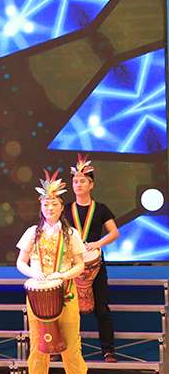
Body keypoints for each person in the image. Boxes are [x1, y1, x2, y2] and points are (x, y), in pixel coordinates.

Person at [16, 170, 87, 374]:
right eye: (46, 204)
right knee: (39, 344)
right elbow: (20, 262)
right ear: (41, 207)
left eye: (54, 204)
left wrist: (63, 275)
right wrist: (32, 273)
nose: (50, 208)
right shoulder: (31, 233)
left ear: (61, 207)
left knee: (71, 344)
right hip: (39, 297)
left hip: (65, 293)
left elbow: (80, 264)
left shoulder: (71, 234)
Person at [69, 155, 120, 362]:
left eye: (83, 181)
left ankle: (108, 350)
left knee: (102, 308)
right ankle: (67, 350)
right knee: (70, 310)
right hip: (72, 265)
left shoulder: (101, 208)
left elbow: (114, 233)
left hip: (96, 265)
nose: (78, 184)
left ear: (91, 185)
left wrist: (97, 244)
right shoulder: (66, 209)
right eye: (75, 181)